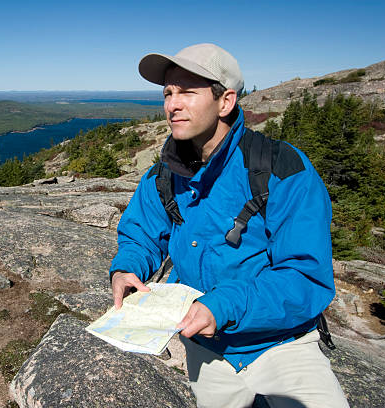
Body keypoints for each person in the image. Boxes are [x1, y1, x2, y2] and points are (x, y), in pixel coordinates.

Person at [109, 43, 349, 408]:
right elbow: (142, 233)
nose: (172, 105)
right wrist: (127, 267)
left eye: (188, 91)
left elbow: (306, 276)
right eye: (168, 93)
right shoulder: (161, 176)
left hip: (281, 344)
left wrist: (224, 306)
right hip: (206, 349)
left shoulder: (280, 168)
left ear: (226, 102)